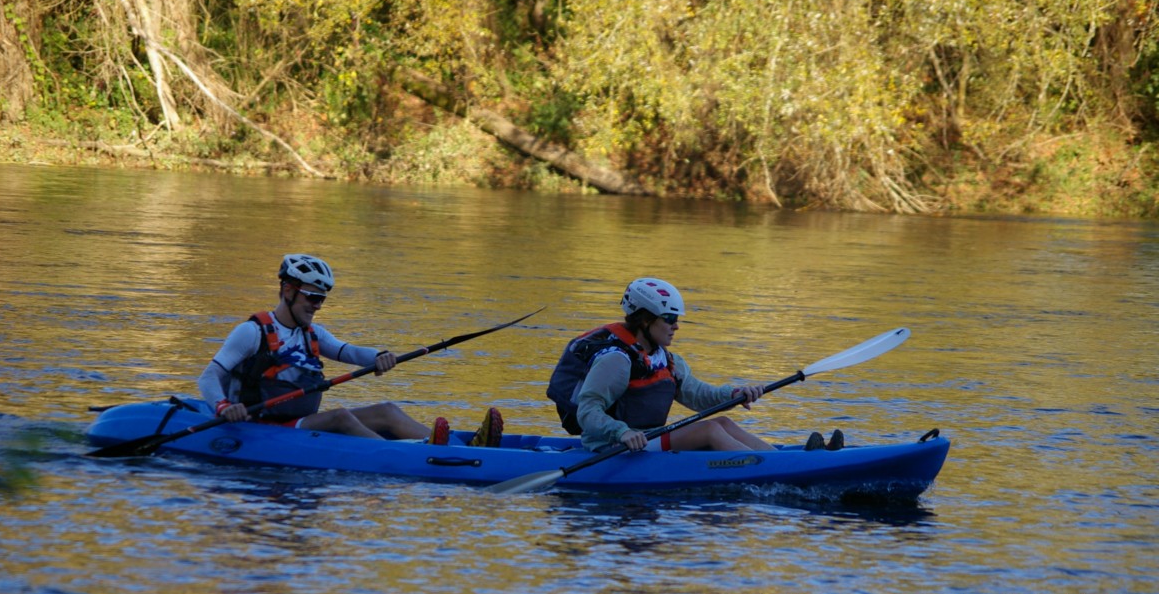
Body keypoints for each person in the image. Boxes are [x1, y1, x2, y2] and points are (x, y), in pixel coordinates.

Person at [198, 253, 503, 446]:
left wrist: (380, 356)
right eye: (312, 297)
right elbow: (209, 376)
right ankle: (413, 455)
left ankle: (461, 448)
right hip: (265, 427)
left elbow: (349, 351)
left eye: (322, 299)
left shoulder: (312, 334)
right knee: (340, 417)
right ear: (288, 291)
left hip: (297, 423)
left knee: (387, 410)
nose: (317, 306)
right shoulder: (252, 332)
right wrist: (224, 406)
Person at [547, 278, 843, 453]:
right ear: (645, 320)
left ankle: (788, 461)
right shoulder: (616, 361)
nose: (676, 326)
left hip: (647, 439)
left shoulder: (666, 359)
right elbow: (588, 412)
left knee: (722, 423)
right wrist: (622, 432)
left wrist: (736, 394)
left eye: (677, 320)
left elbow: (699, 395)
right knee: (709, 431)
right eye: (670, 319)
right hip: (614, 446)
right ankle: (780, 468)